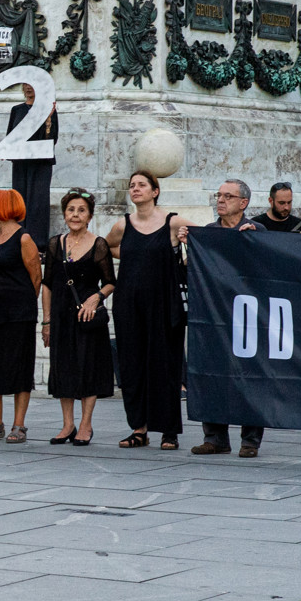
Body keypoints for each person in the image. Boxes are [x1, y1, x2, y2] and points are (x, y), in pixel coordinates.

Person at [105, 170, 194, 449]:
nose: (135, 189)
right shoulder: (123, 225)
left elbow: (205, 236)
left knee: (165, 366)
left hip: (164, 304)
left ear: (155, 191)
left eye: (142, 185)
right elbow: (105, 247)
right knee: (132, 366)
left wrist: (185, 241)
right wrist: (132, 253)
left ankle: (169, 431)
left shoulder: (172, 221)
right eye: (132, 185)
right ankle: (139, 429)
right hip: (129, 304)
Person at [192, 178, 266, 457]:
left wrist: (254, 242)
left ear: (243, 203)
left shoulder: (256, 230)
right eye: (218, 195)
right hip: (215, 316)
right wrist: (190, 246)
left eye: (228, 196)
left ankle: (250, 440)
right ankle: (215, 436)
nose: (220, 200)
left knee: (250, 375)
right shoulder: (209, 233)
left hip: (247, 317)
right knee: (212, 374)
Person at [42, 188, 115, 445]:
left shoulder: (99, 244)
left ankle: (85, 424)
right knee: (63, 367)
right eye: (71, 209)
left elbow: (109, 282)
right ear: (64, 213)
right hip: (61, 316)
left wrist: (96, 297)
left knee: (88, 367)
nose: (75, 214)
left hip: (87, 317)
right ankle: (67, 424)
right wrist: (47, 320)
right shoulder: (55, 243)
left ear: (90, 216)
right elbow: (47, 284)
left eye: (81, 210)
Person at [0, 189, 43, 443]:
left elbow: (36, 276)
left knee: (19, 367)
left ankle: (19, 425)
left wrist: (22, 303)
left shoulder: (24, 238)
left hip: (18, 314)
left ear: (5, 208)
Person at [5, 83, 59, 248]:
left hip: (41, 163)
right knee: (19, 201)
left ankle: (38, 245)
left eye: (32, 84)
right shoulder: (17, 110)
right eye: (25, 85)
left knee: (38, 203)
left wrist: (48, 119)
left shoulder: (48, 109)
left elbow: (52, 139)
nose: (29, 88)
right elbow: (10, 137)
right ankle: (18, 241)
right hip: (21, 163)